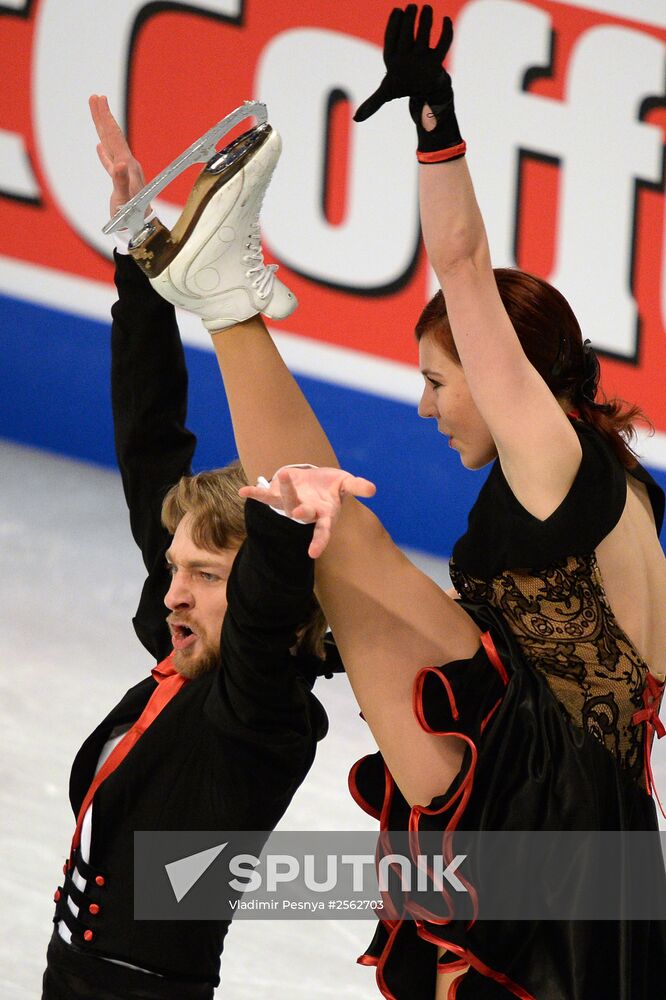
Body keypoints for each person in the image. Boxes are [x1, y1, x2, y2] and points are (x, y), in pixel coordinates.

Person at [121, 6, 666, 998]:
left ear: (508, 375)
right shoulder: (599, 483)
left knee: (340, 533)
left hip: (552, 797)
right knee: (330, 538)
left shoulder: (552, 455)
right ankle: (221, 302)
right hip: (587, 837)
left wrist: (435, 123)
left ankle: (225, 304)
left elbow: (462, 266)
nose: (423, 404)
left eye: (437, 378)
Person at [41, 97, 333, 1000]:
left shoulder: (259, 716)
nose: (174, 593)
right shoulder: (183, 655)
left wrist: (283, 521)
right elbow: (150, 445)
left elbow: (269, 600)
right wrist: (139, 255)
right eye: (176, 570)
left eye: (206, 576)